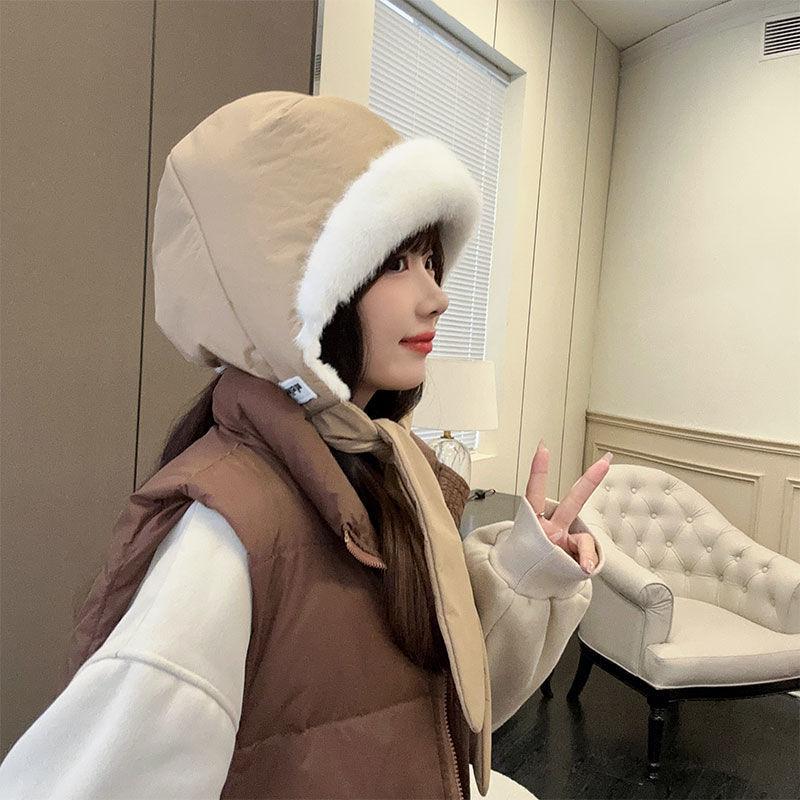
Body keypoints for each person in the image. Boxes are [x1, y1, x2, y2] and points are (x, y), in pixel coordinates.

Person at [0, 90, 611, 799]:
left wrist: (525, 570)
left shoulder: (392, 470)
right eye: (395, 263)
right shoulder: (229, 533)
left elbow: (434, 715)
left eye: (431, 263)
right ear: (295, 290)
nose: (437, 296)